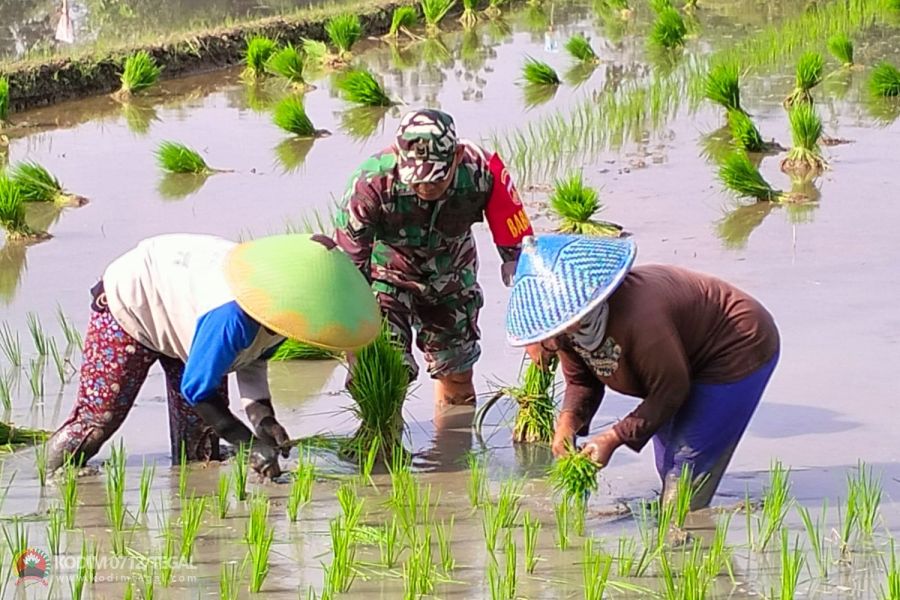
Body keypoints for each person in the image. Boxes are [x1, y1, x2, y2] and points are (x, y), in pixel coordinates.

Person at [46, 233, 380, 477]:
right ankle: (50, 480)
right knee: (98, 420)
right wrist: (248, 445)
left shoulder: (286, 312)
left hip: (187, 318)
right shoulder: (232, 316)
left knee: (201, 446)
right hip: (133, 302)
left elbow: (255, 357)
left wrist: (263, 421)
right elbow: (197, 389)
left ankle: (196, 521)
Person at [507, 234, 780, 510]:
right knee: (667, 466)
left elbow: (671, 391)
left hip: (735, 346)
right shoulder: (567, 328)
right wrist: (567, 424)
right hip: (675, 363)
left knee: (684, 474)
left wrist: (613, 438)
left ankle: (686, 536)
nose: (554, 340)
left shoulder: (640, 318)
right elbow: (582, 382)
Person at [334, 108, 534, 407]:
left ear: (455, 157)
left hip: (452, 278)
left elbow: (521, 253)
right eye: (417, 180)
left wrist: (534, 328)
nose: (426, 187)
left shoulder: (482, 171)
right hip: (389, 281)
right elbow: (349, 270)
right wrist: (355, 340)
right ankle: (385, 447)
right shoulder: (371, 184)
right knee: (387, 375)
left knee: (457, 376)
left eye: (437, 179)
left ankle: (451, 452)